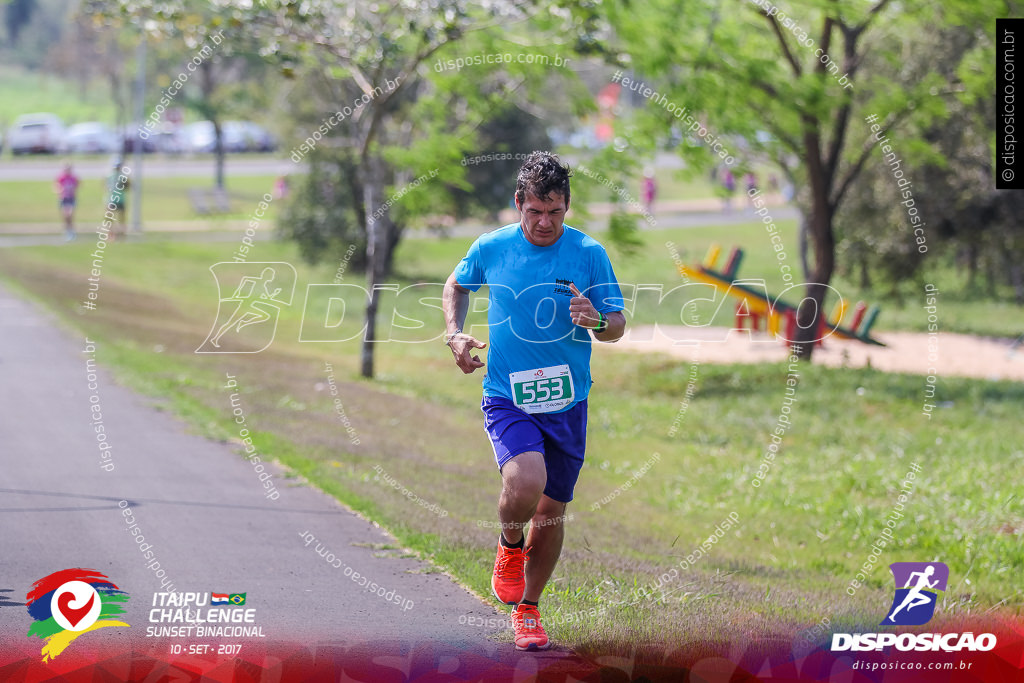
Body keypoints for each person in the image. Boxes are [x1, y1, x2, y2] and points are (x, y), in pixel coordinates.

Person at [442, 151, 626, 651]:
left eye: (556, 212)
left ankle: (528, 610)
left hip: (568, 401)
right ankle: (508, 545)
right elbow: (455, 285)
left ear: (567, 207)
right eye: (535, 212)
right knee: (525, 481)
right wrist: (454, 334)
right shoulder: (492, 247)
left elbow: (615, 327)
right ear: (518, 203)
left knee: (551, 512)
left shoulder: (588, 253)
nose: (545, 223)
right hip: (509, 395)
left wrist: (594, 320)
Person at [54, 164, 80, 241]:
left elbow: (77, 185)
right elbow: (56, 186)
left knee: (70, 214)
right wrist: (59, 191)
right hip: (63, 198)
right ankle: (67, 230)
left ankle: (71, 230)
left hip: (71, 198)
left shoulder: (73, 178)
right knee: (65, 216)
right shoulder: (61, 177)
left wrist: (74, 191)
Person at [107, 161, 130, 241]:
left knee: (120, 218)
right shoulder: (111, 176)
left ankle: (121, 234)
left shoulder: (122, 177)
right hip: (113, 199)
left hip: (119, 199)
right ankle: (112, 235)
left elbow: (127, 187)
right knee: (111, 218)